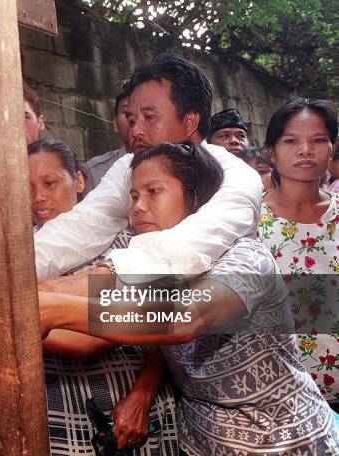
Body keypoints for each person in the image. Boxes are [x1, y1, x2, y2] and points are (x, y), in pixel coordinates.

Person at [38, 141, 339, 455]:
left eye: (154, 191)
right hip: (203, 439)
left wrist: (52, 307)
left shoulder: (245, 258)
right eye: (134, 196)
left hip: (284, 440)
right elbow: (91, 339)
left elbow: (185, 319)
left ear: (195, 198)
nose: (139, 206)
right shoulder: (158, 261)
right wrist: (3, 325)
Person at [34, 53, 262, 281]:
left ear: (190, 121)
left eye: (150, 117)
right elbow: (84, 225)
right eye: (132, 120)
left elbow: (182, 249)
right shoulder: (128, 166)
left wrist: (74, 286)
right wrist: (18, 271)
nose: (135, 131)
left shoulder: (238, 178)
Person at [28, 139, 179, 455]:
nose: (38, 196)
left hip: (135, 402)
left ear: (80, 180)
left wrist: (142, 395)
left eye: (50, 183)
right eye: (26, 186)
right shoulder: (22, 254)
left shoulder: (131, 240)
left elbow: (165, 327)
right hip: (59, 403)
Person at [257, 97, 338, 407]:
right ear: (271, 152)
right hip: (275, 397)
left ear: (332, 148)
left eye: (319, 140)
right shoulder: (247, 221)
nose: (306, 149)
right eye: (291, 140)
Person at [81, 78, 132, 195]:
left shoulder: (176, 163)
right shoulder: (94, 173)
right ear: (115, 124)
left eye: (147, 114)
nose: (134, 120)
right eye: (128, 113)